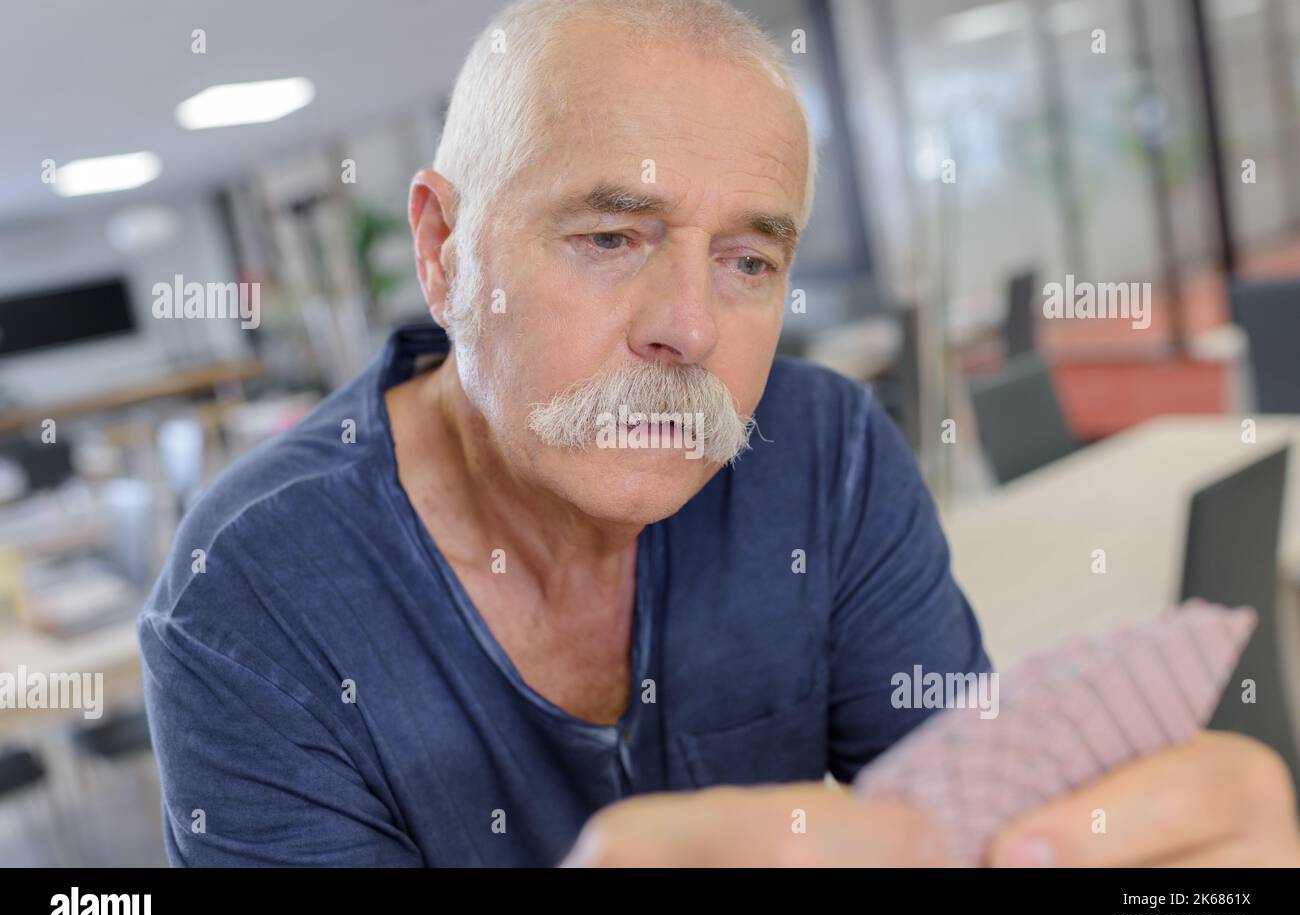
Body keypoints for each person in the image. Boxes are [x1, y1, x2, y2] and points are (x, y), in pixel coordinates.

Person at [139, 0, 1299, 867]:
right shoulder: (245, 601)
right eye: (609, 237)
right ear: (444, 251)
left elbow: (969, 817)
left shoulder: (823, 455)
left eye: (748, 261)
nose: (690, 329)